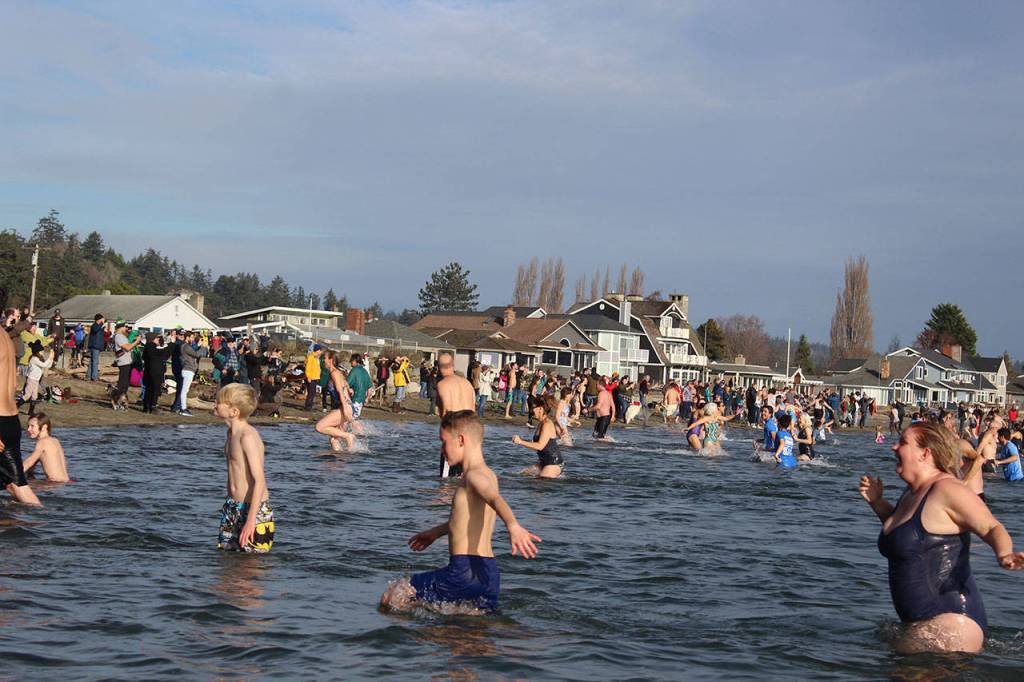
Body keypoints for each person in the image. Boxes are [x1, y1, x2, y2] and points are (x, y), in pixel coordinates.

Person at [859, 422, 1024, 653]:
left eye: (903, 442)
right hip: (922, 625)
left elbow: (991, 527)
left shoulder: (947, 489)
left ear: (925, 453)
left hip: (953, 626)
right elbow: (906, 537)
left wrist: (1004, 553)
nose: (894, 447)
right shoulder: (912, 493)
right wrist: (877, 503)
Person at [379, 410, 541, 613]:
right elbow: (465, 519)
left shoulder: (474, 476)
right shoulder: (489, 475)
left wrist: (513, 526)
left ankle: (422, 638)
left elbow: (495, 499)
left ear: (461, 440)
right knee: (470, 636)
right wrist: (436, 532)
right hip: (488, 574)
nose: (441, 450)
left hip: (463, 570)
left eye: (443, 442)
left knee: (392, 596)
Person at [214, 383, 274, 553]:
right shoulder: (230, 434)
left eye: (219, 402)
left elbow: (259, 480)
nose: (215, 404)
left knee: (249, 568)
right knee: (226, 566)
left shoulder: (247, 436)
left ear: (234, 411)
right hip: (233, 505)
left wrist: (251, 520)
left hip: (254, 510)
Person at [0, 304, 41, 505]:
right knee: (12, 483)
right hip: (11, 420)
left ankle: (43, 526)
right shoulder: (6, 338)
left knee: (18, 485)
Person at [435, 351, 475, 477]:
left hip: (453, 434)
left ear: (439, 367)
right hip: (469, 435)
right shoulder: (468, 384)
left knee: (446, 481)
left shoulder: (443, 384)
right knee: (462, 478)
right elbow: (473, 410)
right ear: (453, 365)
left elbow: (446, 411)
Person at [512, 395, 565, 478]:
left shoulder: (547, 424)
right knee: (521, 475)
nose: (532, 410)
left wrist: (520, 441)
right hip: (544, 462)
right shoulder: (542, 423)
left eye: (533, 408)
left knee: (539, 483)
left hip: (553, 463)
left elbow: (540, 446)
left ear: (540, 408)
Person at [315, 351, 357, 452]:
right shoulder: (337, 373)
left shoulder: (334, 373)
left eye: (324, 358)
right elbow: (346, 387)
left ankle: (348, 436)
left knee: (319, 427)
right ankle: (341, 458)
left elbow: (340, 391)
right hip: (342, 407)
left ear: (331, 360)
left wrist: (346, 409)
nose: (323, 360)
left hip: (344, 407)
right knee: (334, 439)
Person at [22, 412, 69, 482]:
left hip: (54, 483)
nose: (28, 429)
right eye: (28, 426)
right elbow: (33, 464)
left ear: (44, 427)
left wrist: (13, 474)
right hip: (66, 482)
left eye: (32, 426)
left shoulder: (42, 442)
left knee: (23, 488)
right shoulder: (55, 441)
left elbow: (30, 461)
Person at [110, 320, 141, 411]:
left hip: (126, 362)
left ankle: (120, 403)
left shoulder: (121, 336)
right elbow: (127, 348)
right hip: (124, 363)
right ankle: (117, 403)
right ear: (121, 327)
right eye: (126, 327)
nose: (127, 329)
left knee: (125, 385)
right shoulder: (119, 336)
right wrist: (137, 341)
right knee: (122, 385)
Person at [178, 331, 208, 417]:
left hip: (189, 370)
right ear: (187, 337)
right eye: (191, 337)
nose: (192, 339)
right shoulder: (185, 346)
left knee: (184, 390)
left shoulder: (187, 346)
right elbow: (197, 354)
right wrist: (202, 347)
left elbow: (196, 352)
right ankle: (183, 409)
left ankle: (183, 408)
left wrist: (199, 345)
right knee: (184, 390)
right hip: (188, 370)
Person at [20, 341, 53, 415]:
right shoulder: (34, 359)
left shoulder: (38, 358)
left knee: (34, 396)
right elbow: (44, 365)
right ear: (37, 351)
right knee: (27, 395)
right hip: (31, 379)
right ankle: (15, 407)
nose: (43, 352)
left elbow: (47, 365)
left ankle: (30, 411)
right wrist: (50, 358)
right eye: (42, 351)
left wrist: (51, 359)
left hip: (36, 380)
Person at [141, 333, 171, 414]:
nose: (159, 339)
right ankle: (152, 406)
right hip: (155, 371)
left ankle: (146, 407)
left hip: (150, 371)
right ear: (153, 339)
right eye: (157, 338)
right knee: (154, 389)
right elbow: (161, 354)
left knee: (149, 389)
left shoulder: (149, 347)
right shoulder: (151, 346)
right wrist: (169, 345)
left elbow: (164, 355)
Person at [347, 352, 372, 429]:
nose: (350, 362)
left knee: (350, 419)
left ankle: (359, 432)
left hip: (354, 399)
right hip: (361, 400)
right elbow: (370, 388)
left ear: (355, 361)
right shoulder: (365, 371)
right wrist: (367, 398)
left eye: (351, 361)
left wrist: (349, 389)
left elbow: (346, 384)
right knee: (353, 418)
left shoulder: (354, 370)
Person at [303, 345, 323, 411]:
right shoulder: (311, 357)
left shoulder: (317, 358)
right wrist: (308, 377)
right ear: (317, 350)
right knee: (311, 393)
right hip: (311, 378)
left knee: (313, 393)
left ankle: (309, 406)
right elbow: (308, 368)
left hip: (315, 377)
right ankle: (308, 407)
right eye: (320, 350)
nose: (321, 351)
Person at [87, 313, 105, 381]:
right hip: (95, 346)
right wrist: (101, 324)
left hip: (96, 346)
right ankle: (94, 376)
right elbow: (95, 330)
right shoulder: (95, 325)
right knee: (95, 362)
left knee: (92, 361)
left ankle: (88, 376)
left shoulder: (99, 326)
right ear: (99, 319)